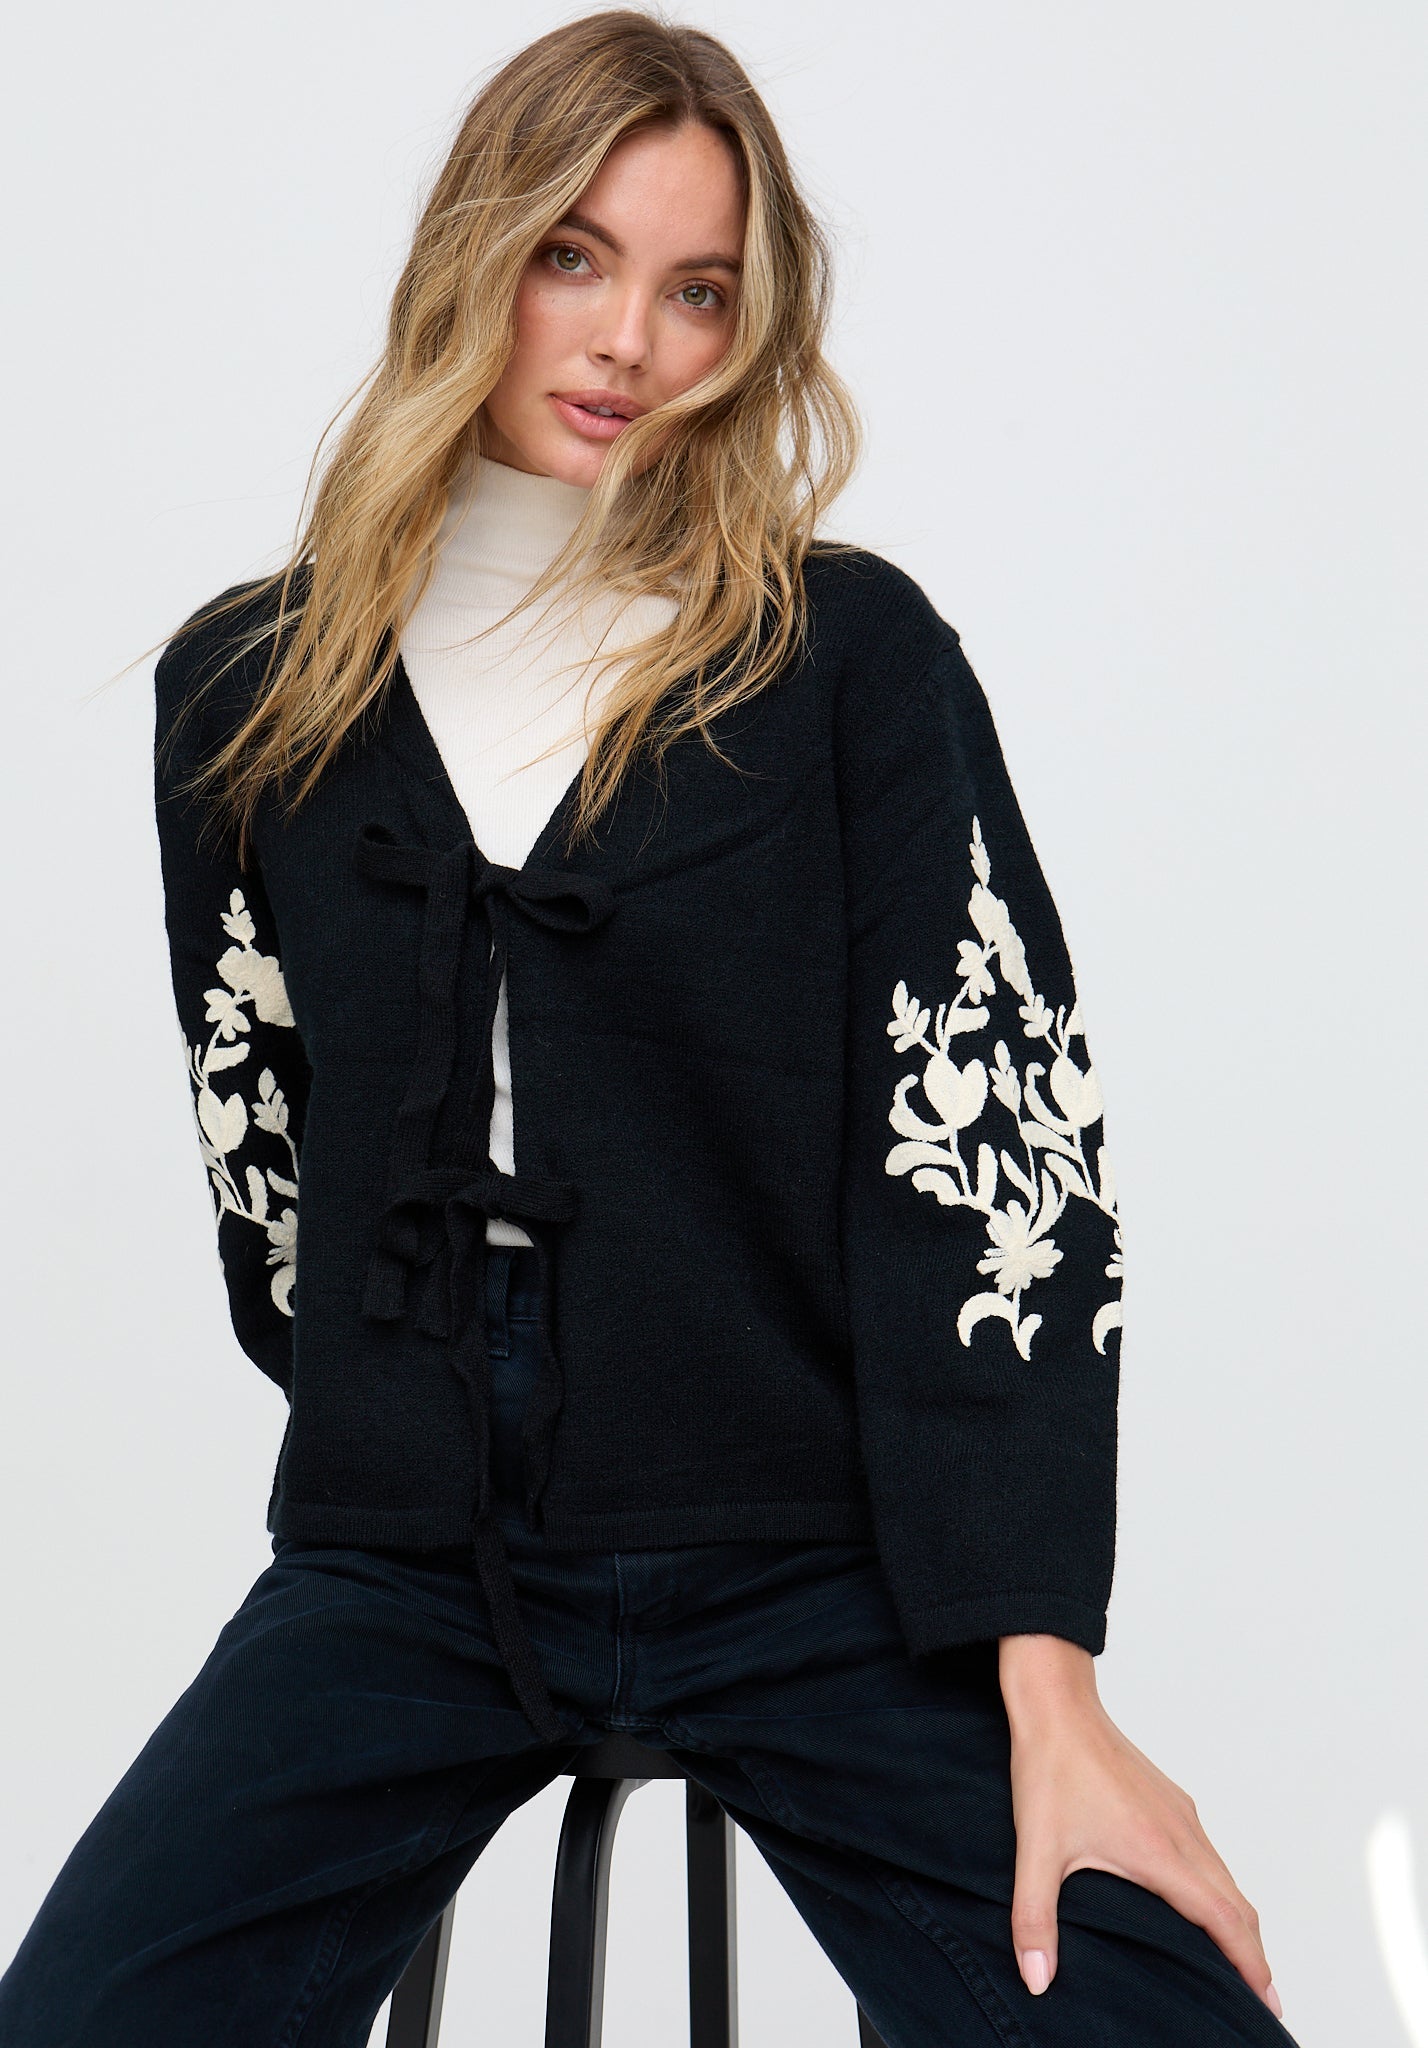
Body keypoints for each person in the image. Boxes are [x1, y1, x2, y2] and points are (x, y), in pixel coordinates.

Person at [0, 13, 1298, 2044]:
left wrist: (1056, 1697)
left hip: (815, 1559)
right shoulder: (249, 694)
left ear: (753, 327)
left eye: (701, 290)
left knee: (1149, 2020)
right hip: (405, 1566)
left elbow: (1003, 1168)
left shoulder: (845, 657)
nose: (627, 340)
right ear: (477, 260)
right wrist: (437, 1415)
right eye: (575, 258)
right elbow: (274, 1175)